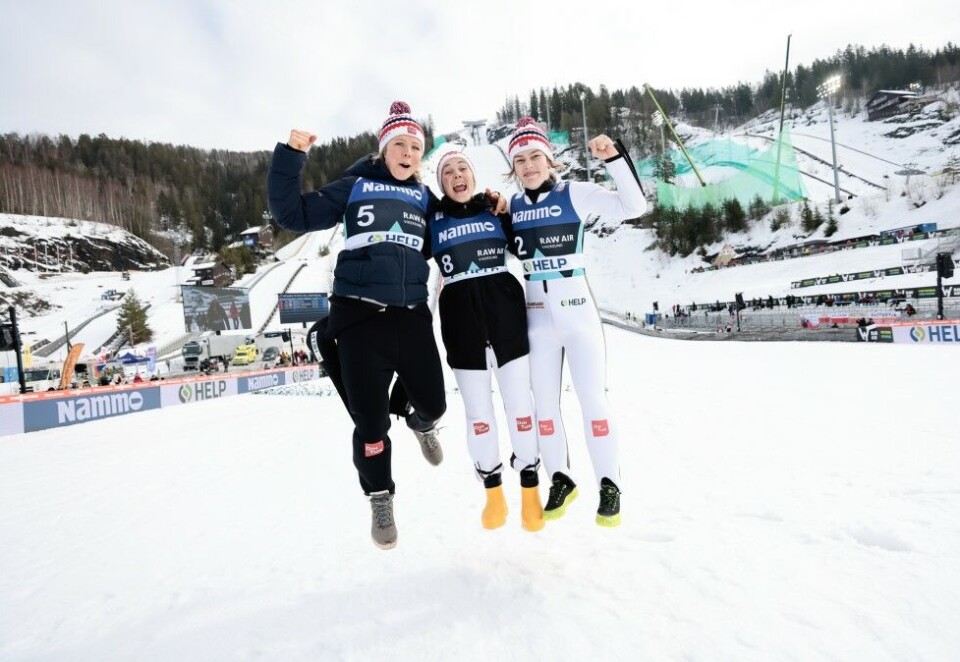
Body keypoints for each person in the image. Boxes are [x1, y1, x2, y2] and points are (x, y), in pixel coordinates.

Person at [268, 101, 448, 550]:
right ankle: (380, 496)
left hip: (410, 317)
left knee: (435, 405)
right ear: (384, 149)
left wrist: (490, 204)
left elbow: (455, 231)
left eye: (415, 147)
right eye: (400, 144)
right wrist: (292, 155)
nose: (408, 153)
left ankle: (419, 420)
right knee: (370, 428)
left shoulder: (426, 200)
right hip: (361, 321)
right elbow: (291, 215)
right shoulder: (356, 186)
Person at [503, 117, 647, 527]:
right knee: (545, 407)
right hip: (536, 320)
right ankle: (561, 478)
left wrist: (615, 159)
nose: (529, 165)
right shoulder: (509, 207)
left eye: (535, 157)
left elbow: (634, 207)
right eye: (520, 160)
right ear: (513, 167)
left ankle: (608, 483)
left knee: (592, 400)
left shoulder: (575, 193)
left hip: (579, 313)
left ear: (550, 160)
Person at [429, 150, 544, 532]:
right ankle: (493, 492)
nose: (457, 175)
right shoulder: (434, 220)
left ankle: (530, 490)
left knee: (521, 408)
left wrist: (507, 206)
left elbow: (530, 239)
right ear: (441, 182)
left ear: (474, 176)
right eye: (448, 172)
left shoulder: (497, 212)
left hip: (507, 324)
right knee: (479, 414)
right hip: (462, 332)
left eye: (463, 169)